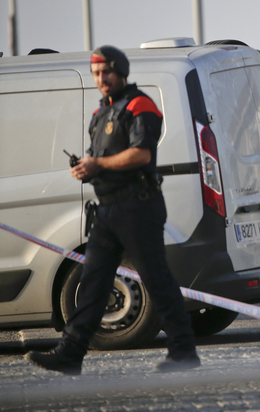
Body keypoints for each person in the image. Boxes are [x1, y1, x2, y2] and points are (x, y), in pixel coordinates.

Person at [25, 45, 199, 375]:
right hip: (107, 211)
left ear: (121, 70)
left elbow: (141, 155)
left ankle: (183, 350)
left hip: (138, 207)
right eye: (95, 74)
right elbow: (100, 160)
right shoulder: (100, 114)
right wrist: (84, 169)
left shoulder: (140, 104)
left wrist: (97, 163)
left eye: (106, 71)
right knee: (92, 282)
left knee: (156, 279)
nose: (101, 79)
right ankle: (71, 353)